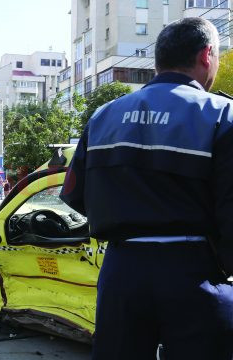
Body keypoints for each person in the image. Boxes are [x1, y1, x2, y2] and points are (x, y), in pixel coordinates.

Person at [60, 18, 233, 359]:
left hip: (121, 274)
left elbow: (74, 195)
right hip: (195, 274)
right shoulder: (221, 114)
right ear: (207, 54)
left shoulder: (102, 117)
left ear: (157, 61)